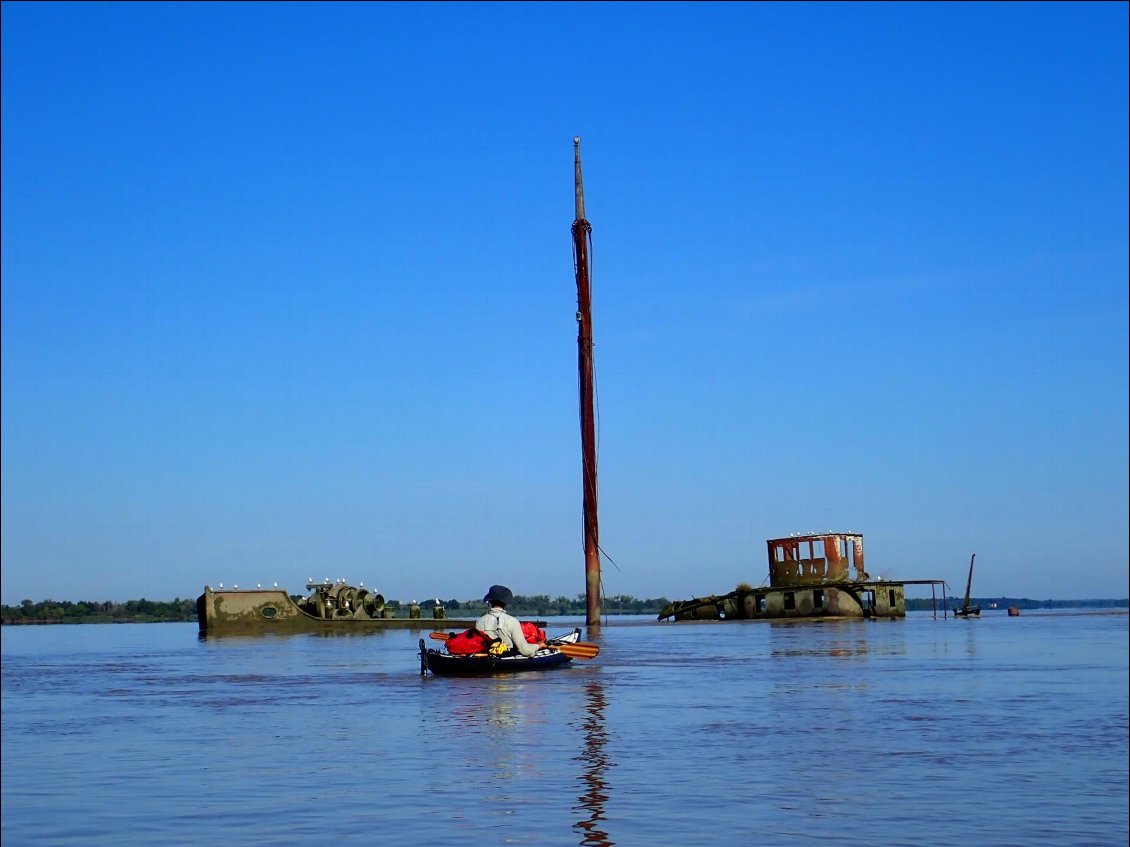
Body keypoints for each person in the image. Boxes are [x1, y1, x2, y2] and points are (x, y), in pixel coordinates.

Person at [475, 585, 546, 657]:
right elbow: (524, 650)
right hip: (507, 656)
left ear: (490, 601)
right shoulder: (513, 621)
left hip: (487, 656)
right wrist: (539, 646)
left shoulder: (479, 622)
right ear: (505, 603)